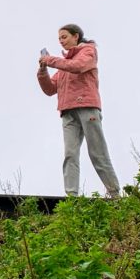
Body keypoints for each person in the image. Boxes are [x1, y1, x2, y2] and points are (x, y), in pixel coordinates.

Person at [36, 24, 120, 197]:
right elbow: (50, 89)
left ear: (76, 36)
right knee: (70, 154)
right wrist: (43, 70)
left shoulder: (88, 52)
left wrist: (50, 60)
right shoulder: (64, 65)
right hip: (67, 112)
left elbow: (78, 66)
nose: (61, 41)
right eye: (59, 38)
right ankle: (72, 196)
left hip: (87, 108)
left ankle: (115, 193)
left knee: (97, 152)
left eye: (64, 37)